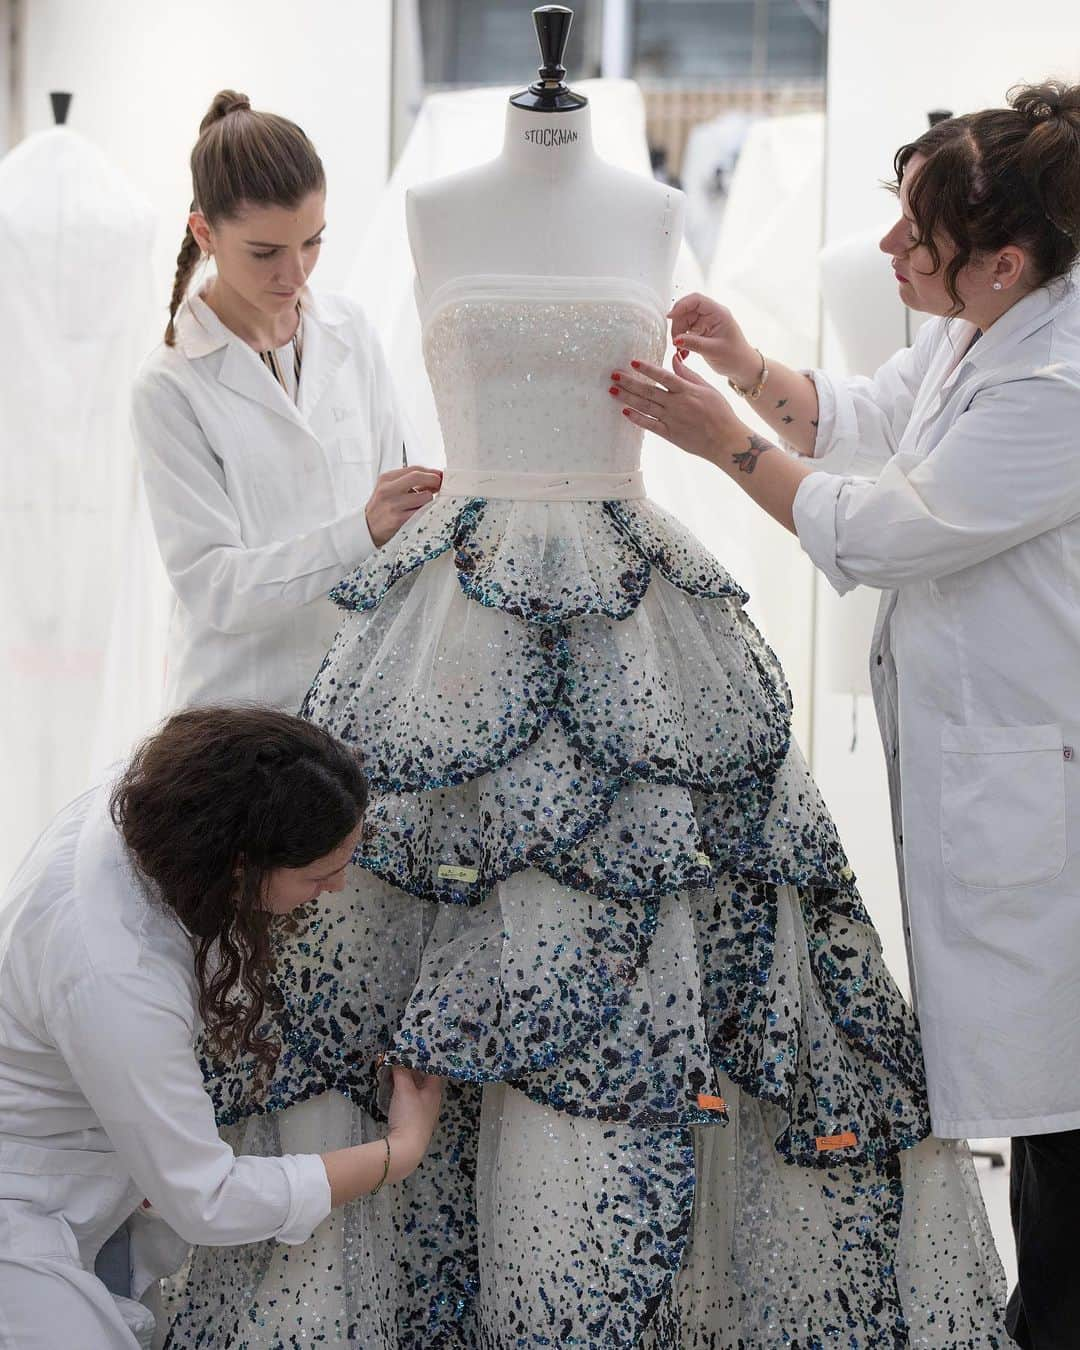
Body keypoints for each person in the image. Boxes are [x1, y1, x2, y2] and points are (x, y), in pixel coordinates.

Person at [165, 95, 1005, 1346]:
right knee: (391, 938)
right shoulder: (435, 212)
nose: (300, 270)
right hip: (447, 626)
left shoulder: (654, 212)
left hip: (635, 619)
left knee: (652, 936)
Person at [609, 79, 1080, 1350]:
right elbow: (878, 418)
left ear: (1004, 263)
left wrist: (722, 442)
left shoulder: (1061, 382)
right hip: (996, 776)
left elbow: (886, 529)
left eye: (913, 241)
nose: (884, 254)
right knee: (1046, 1122)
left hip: (1045, 787)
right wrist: (751, 369)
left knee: (1065, 1131)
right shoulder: (990, 328)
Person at [0, 707, 443, 1349]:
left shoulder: (155, 801)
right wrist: (401, 1150)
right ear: (238, 864)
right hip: (24, 1204)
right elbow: (209, 1200)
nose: (340, 888)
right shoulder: (118, 974)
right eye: (319, 876)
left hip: (90, 1166)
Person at [132, 90, 443, 714]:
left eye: (313, 242)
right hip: (236, 720)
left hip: (357, 701)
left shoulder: (350, 333)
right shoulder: (169, 388)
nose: (296, 274)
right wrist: (359, 531)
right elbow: (217, 587)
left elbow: (396, 519)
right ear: (205, 234)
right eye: (266, 252)